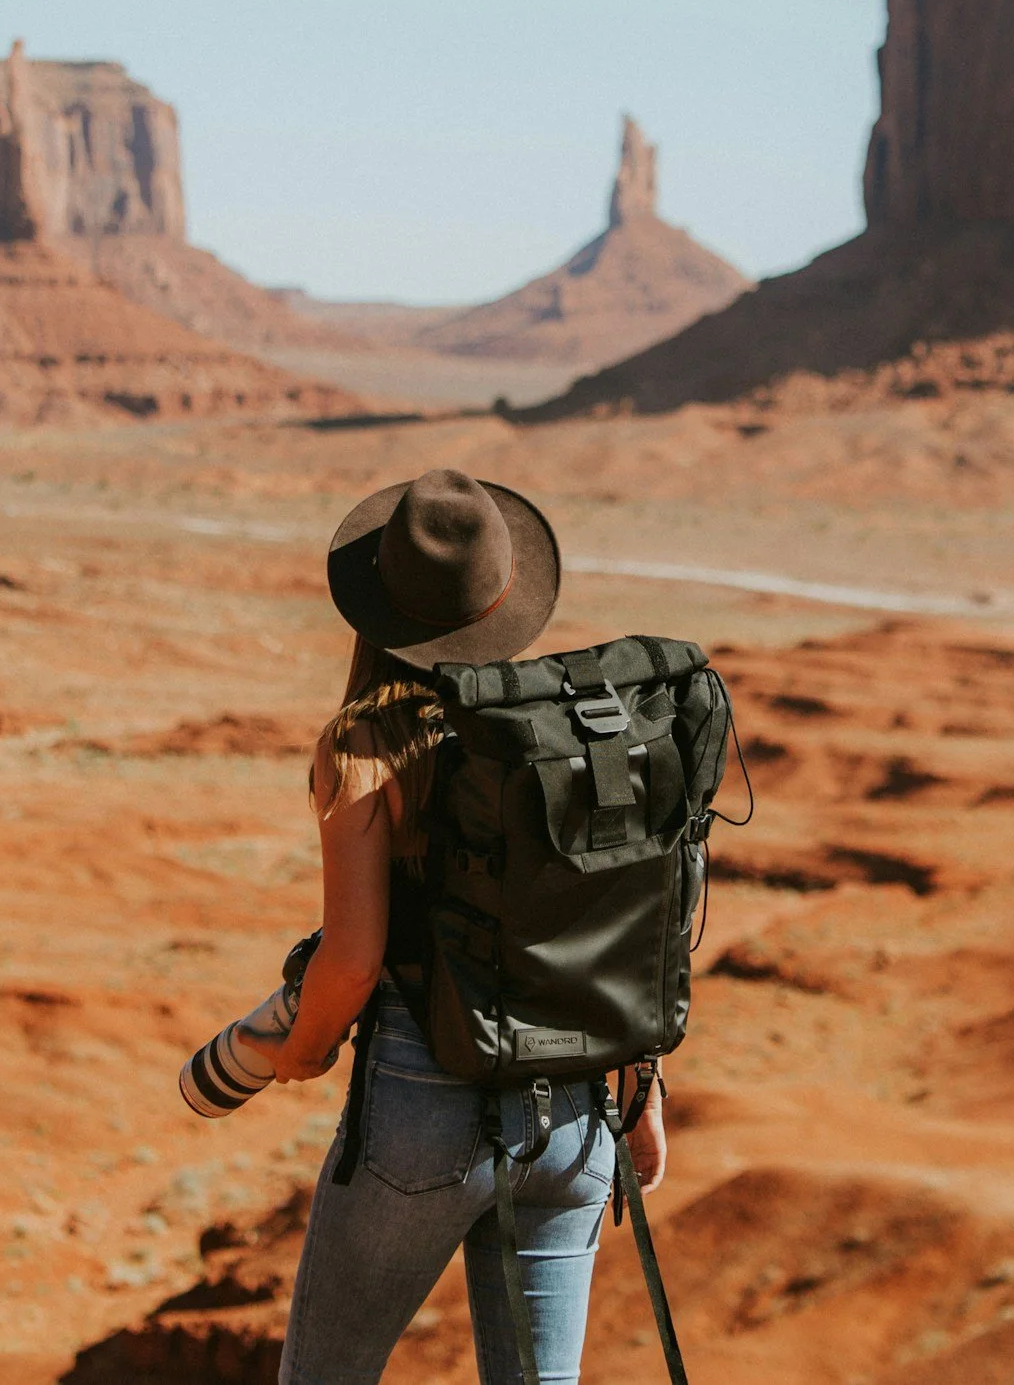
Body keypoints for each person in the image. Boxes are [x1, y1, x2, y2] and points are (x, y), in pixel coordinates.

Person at [266, 468, 666, 1385]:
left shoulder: (364, 746)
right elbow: (619, 931)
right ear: (509, 600)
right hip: (574, 1114)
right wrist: (643, 1093)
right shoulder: (568, 736)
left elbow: (354, 960)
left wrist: (299, 1047)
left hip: (422, 1109)